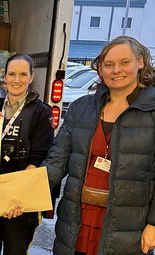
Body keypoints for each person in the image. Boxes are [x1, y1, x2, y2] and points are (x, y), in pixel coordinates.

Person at [41, 35, 155, 254]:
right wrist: (19, 195)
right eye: (109, 65)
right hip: (77, 218)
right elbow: (56, 162)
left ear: (140, 62)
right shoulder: (81, 107)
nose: (116, 70)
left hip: (128, 227)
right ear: (100, 69)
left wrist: (154, 224)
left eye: (124, 63)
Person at [0, 53, 55, 255]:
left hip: (21, 199)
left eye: (23, 74)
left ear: (31, 77)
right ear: (5, 77)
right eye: (12, 74)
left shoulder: (41, 112)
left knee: (15, 251)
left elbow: (39, 157)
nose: (17, 80)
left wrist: (18, 197)